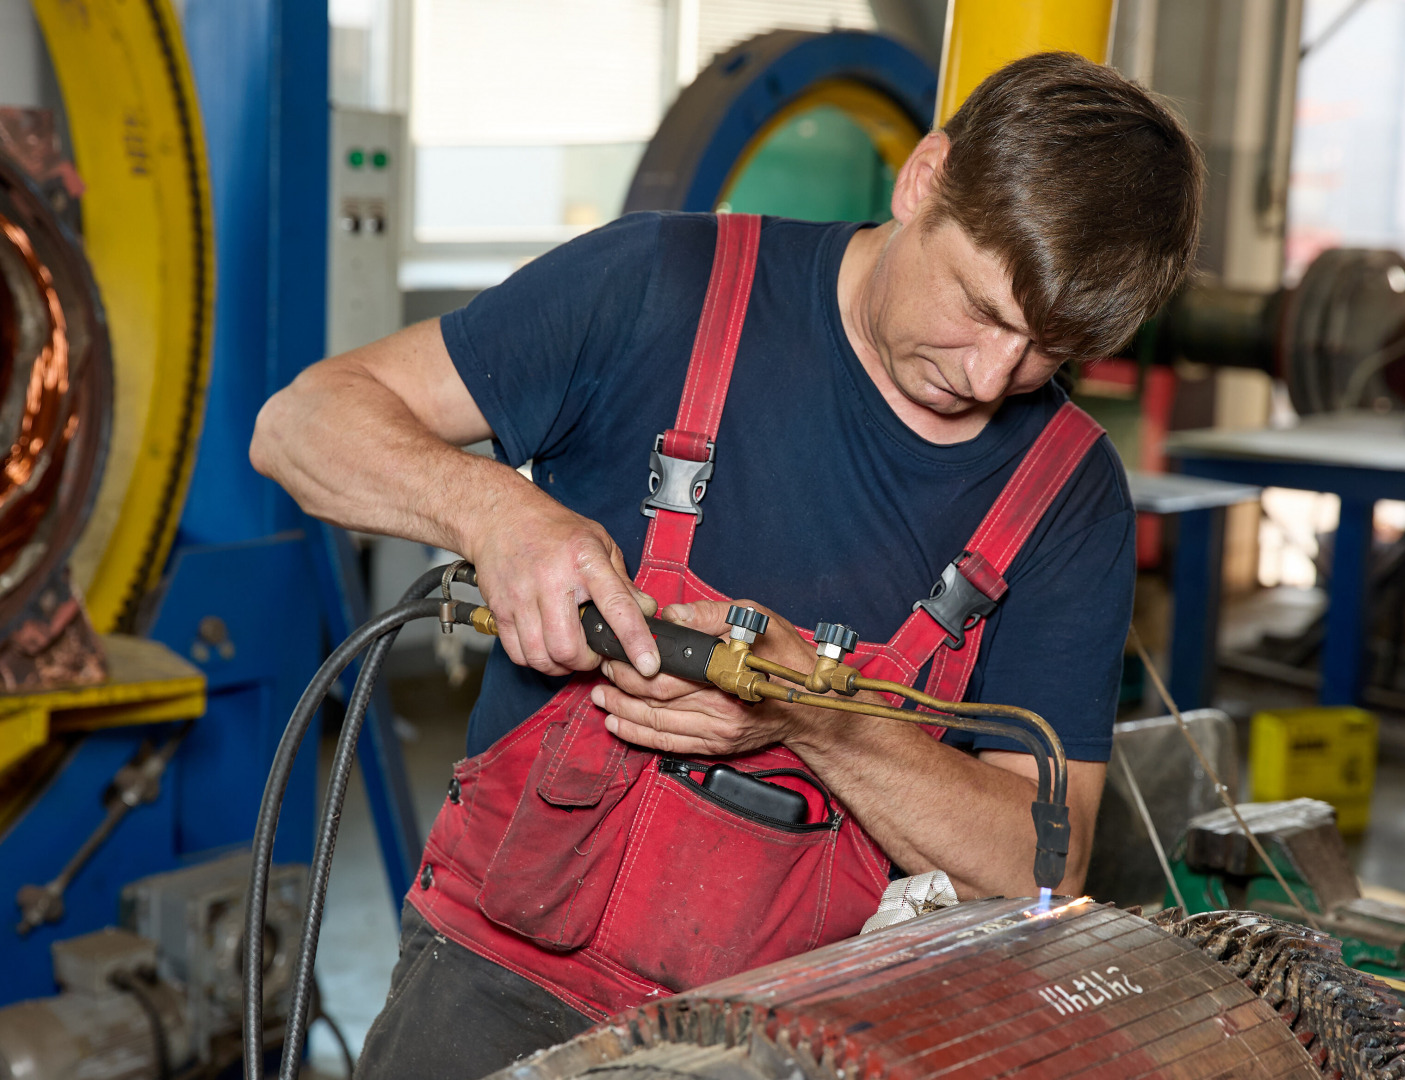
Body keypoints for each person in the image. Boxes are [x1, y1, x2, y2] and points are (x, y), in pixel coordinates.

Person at [251, 50, 1202, 1080]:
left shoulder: (1067, 494)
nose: (987, 377)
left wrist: (815, 714)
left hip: (807, 1026)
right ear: (923, 179)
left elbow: (1034, 863)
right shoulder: (659, 286)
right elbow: (300, 425)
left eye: (1043, 352)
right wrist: (498, 513)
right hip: (500, 979)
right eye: (979, 308)